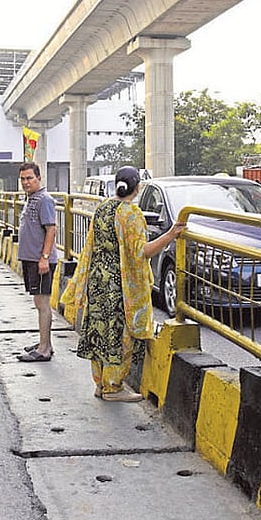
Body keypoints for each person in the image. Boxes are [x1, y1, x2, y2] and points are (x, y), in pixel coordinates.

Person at [63, 166, 186, 402]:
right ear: (137, 188)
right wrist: (171, 235)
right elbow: (142, 252)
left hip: (99, 280)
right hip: (120, 285)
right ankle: (113, 387)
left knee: (100, 330)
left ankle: (100, 384)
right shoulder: (131, 213)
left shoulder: (103, 207)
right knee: (121, 334)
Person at [16, 162, 57, 362]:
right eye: (23, 178)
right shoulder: (32, 198)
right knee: (38, 301)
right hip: (31, 259)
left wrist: (45, 257)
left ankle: (44, 348)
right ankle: (45, 342)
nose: (26, 182)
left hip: (40, 260)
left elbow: (51, 229)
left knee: (42, 302)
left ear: (39, 178)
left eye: (29, 178)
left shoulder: (44, 200)